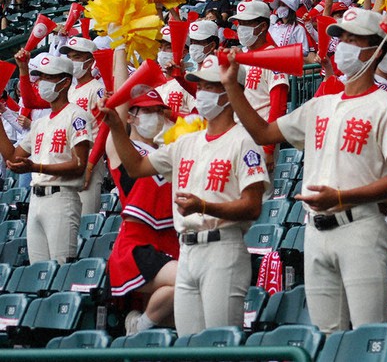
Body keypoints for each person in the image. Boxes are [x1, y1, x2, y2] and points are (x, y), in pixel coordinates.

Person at [222, 7, 387, 334]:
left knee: (369, 334)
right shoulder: (321, 103)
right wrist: (231, 86)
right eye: (342, 37)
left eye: (355, 39)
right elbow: (265, 134)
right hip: (315, 229)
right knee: (326, 336)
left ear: (376, 49)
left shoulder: (385, 105)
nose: (345, 45)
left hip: (360, 226)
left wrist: (342, 196)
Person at [102, 55, 269, 336]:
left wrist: (204, 207)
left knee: (220, 345)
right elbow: (136, 166)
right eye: (200, 85)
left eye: (210, 85)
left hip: (222, 247)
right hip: (188, 250)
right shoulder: (185, 142)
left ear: (231, 93)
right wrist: (118, 129)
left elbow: (252, 207)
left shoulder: (244, 140)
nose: (201, 92)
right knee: (189, 345)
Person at [105, 67, 178, 336]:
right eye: (147, 110)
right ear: (132, 117)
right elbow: (119, 106)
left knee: (169, 324)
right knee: (187, 279)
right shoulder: (121, 148)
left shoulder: (168, 153)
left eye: (158, 110)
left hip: (170, 239)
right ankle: (138, 326)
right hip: (138, 244)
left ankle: (143, 328)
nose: (155, 116)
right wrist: (120, 44)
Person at [0, 53, 91, 263]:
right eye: (40, 77)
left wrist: (37, 167)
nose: (41, 82)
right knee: (38, 269)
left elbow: (79, 165)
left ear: (65, 81)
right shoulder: (40, 123)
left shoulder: (77, 115)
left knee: (61, 267)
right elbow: (13, 157)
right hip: (36, 198)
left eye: (48, 77)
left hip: (62, 197)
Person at [230, 0, 289, 169]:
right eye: (239, 23)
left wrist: (269, 148)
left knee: (259, 194)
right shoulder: (241, 56)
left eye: (247, 23)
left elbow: (278, 105)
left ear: (262, 26)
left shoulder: (274, 56)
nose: (241, 28)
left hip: (261, 137)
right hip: (237, 135)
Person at [57, 37, 106, 215]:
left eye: (77, 57)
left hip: (89, 159)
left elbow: (103, 131)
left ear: (90, 61)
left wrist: (91, 166)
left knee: (85, 220)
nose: (72, 62)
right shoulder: (68, 89)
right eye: (69, 57)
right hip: (67, 160)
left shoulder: (97, 89)